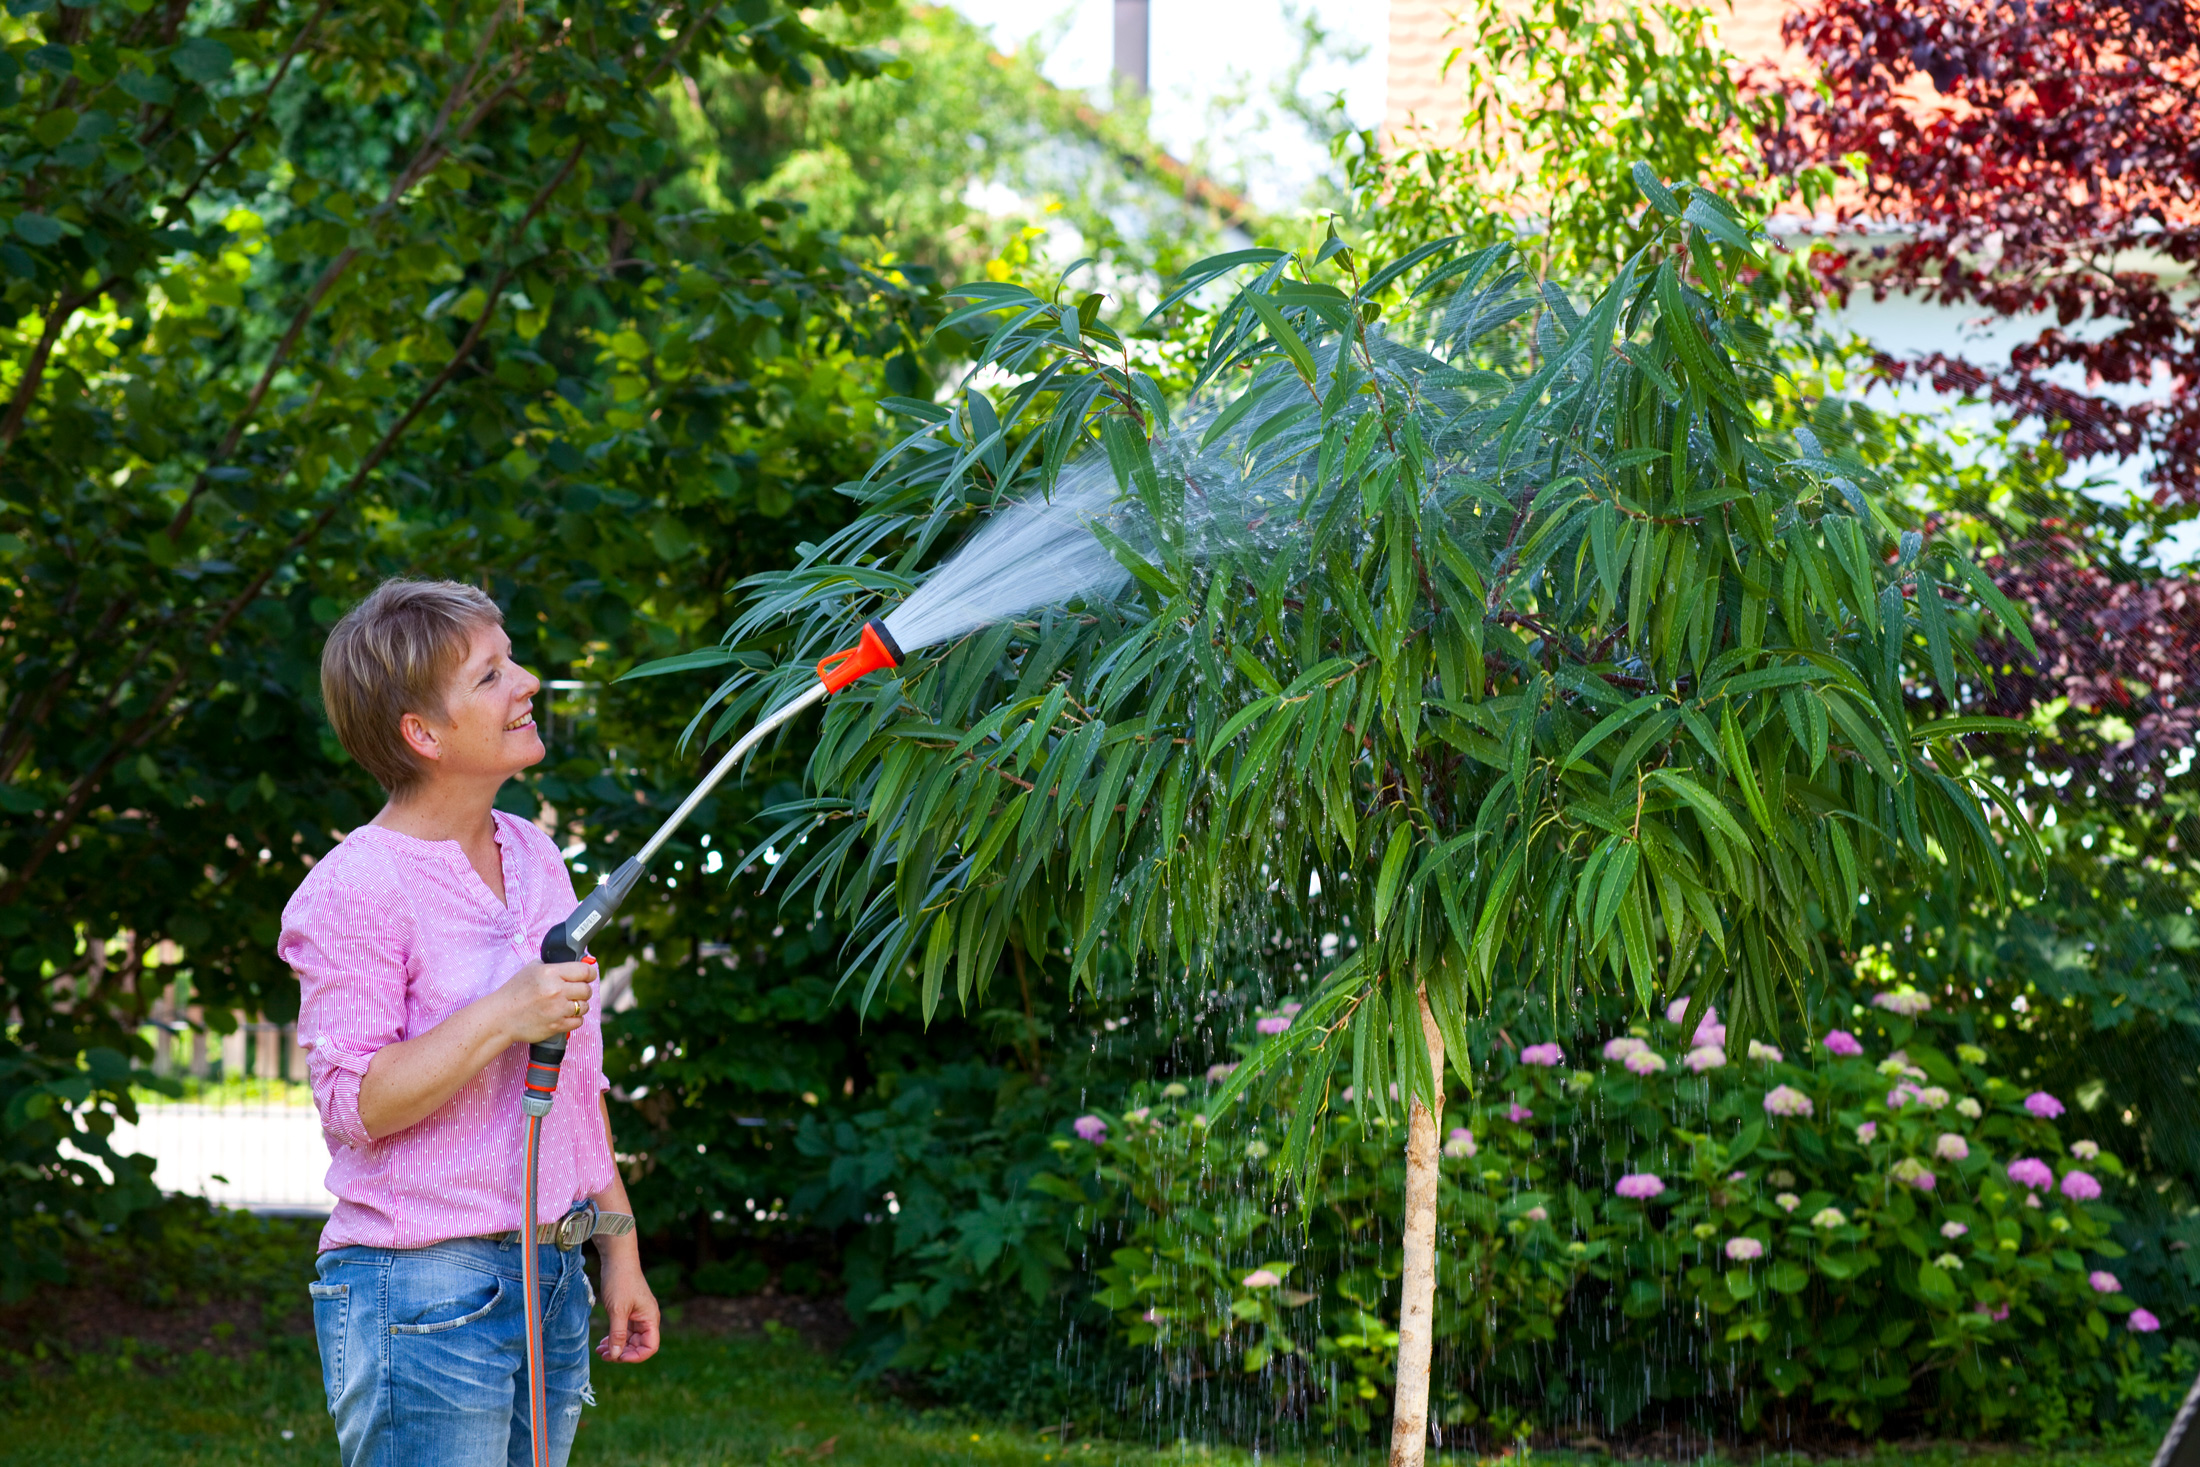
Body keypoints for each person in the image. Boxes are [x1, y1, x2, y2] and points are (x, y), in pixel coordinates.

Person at [279, 578, 660, 1467]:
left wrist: (620, 1245)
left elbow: (575, 1076)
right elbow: (355, 1104)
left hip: (552, 1273)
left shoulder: (534, 853)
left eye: (510, 659)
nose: (526, 682)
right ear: (425, 733)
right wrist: (503, 1012)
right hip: (423, 1291)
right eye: (491, 675)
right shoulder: (356, 887)